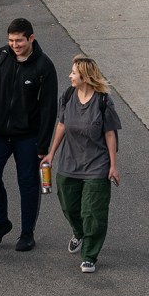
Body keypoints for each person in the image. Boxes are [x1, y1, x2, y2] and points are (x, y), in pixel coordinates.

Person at [0, 18, 58, 253]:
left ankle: (27, 233)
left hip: (28, 137)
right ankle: (1, 222)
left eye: (19, 41)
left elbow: (48, 109)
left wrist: (43, 144)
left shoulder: (44, 67)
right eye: (11, 40)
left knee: (28, 184)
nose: (14, 45)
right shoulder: (0, 57)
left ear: (31, 38)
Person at [41, 56, 122, 274]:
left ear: (85, 77)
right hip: (70, 163)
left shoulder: (103, 100)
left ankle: (89, 256)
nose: (70, 76)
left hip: (97, 165)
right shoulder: (68, 96)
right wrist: (51, 153)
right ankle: (79, 233)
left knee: (93, 212)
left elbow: (110, 134)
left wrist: (113, 166)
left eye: (74, 73)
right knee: (69, 205)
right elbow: (61, 125)